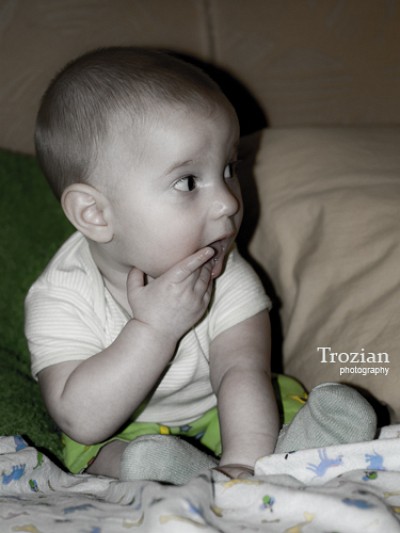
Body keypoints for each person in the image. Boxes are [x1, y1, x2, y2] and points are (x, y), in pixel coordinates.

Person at [25, 47, 377, 484]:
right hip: (125, 430)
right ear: (95, 214)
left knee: (274, 398)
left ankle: (290, 446)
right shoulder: (62, 296)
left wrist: (244, 465)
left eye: (229, 168)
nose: (228, 202)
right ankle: (163, 467)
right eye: (188, 181)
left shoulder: (224, 271)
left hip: (222, 412)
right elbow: (81, 419)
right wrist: (154, 329)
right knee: (100, 455)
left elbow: (239, 371)